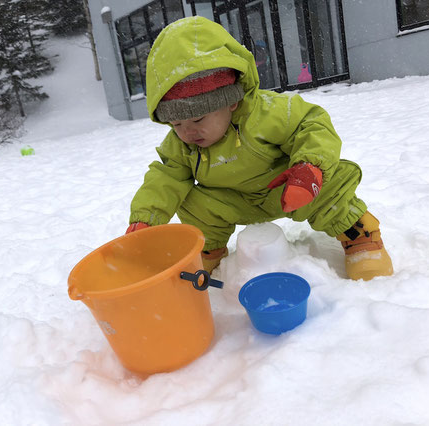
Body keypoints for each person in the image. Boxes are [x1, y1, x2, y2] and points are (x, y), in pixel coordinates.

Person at [125, 16, 393, 281]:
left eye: (197, 119)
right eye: (176, 123)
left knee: (330, 188)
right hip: (232, 201)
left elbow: (311, 124)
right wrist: (146, 218)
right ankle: (208, 249)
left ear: (231, 101)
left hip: (288, 187)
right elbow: (165, 178)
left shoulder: (264, 113)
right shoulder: (181, 144)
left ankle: (359, 236)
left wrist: (309, 168)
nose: (187, 132)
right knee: (195, 203)